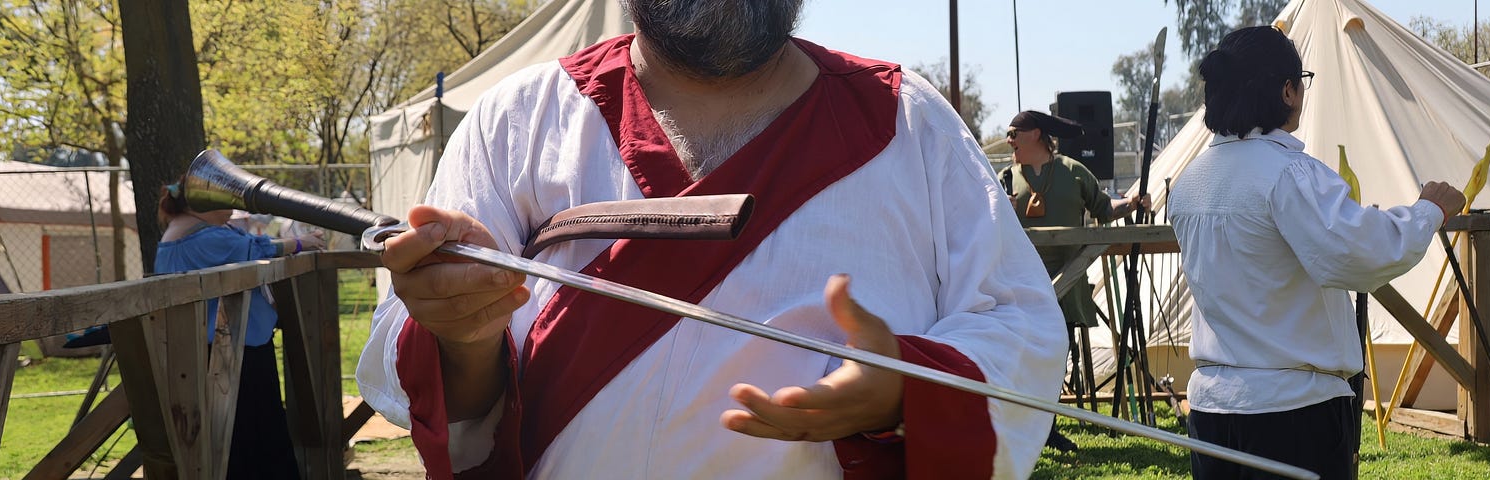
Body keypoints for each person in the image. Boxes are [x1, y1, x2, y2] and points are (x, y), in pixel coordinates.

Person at [354, 0, 1068, 478]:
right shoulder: (519, 118)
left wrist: (904, 390)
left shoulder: (909, 122)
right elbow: (417, 374)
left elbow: (1020, 328)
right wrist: (460, 334)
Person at [1167, 26, 1465, 479]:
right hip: (1290, 416)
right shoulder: (1290, 174)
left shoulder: (1190, 183)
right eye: (1301, 81)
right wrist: (1428, 211)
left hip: (1213, 411)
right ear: (1287, 90)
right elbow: (1364, 254)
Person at [999, 110, 1147, 454]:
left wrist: (1133, 202)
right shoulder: (1005, 177)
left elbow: (1104, 208)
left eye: (1013, 133)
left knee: (1054, 358)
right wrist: (999, 209)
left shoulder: (1072, 171)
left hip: (1067, 283)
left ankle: (1047, 429)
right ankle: (1022, 427)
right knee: (1019, 358)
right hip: (1021, 285)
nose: (1008, 141)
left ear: (1035, 134)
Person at [156, 180, 323, 479]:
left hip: (228, 344)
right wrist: (301, 242)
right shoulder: (205, 237)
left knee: (246, 432)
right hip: (231, 349)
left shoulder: (189, 231)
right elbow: (254, 248)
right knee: (254, 433)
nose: (233, 206)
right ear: (199, 204)